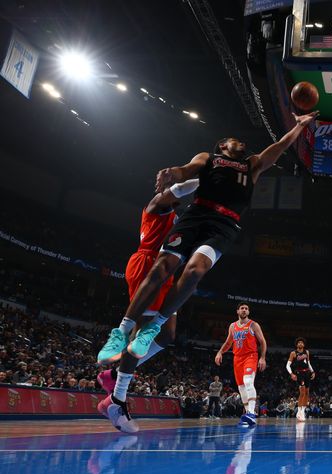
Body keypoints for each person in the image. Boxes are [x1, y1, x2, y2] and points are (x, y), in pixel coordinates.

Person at [94, 112, 317, 433]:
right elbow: (184, 179)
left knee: (167, 334)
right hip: (153, 258)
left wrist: (299, 125)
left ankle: (117, 377)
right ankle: (116, 381)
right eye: (231, 140)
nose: (239, 142)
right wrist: (175, 172)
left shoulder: (250, 165)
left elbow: (278, 147)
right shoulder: (179, 188)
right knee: (149, 325)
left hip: (220, 225)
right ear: (220, 146)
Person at [96, 177, 199, 396]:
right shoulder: (156, 204)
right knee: (142, 330)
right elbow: (179, 189)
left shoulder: (178, 218)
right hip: (147, 264)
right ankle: (116, 386)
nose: (160, 188)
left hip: (166, 267)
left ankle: (114, 375)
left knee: (166, 335)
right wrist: (211, 178)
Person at [215, 303, 267, 427]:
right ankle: (247, 414)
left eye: (246, 309)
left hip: (250, 356)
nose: (244, 310)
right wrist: (220, 352)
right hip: (237, 358)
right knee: (241, 387)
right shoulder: (233, 326)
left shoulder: (253, 325)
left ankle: (251, 412)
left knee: (248, 381)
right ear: (237, 311)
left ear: (248, 312)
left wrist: (263, 357)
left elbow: (263, 342)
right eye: (242, 308)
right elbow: (228, 343)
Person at [287, 338, 315, 421]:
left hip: (307, 373)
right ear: (296, 344)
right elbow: (287, 365)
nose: (300, 343)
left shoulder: (307, 352)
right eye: (299, 342)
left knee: (307, 393)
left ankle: (302, 411)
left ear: (304, 344)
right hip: (299, 374)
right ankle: (299, 412)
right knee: (302, 393)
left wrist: (312, 371)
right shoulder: (293, 353)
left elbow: (308, 363)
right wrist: (291, 373)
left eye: (302, 342)